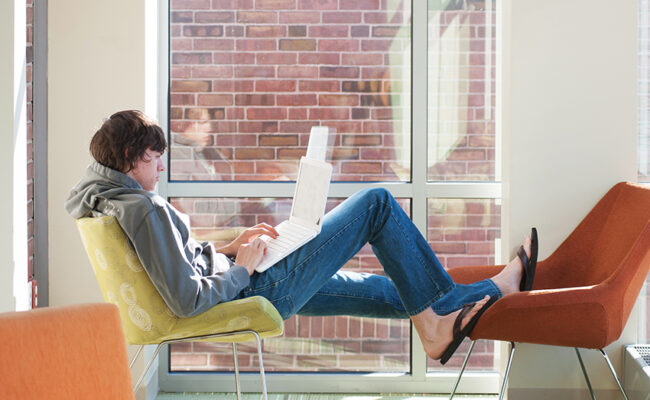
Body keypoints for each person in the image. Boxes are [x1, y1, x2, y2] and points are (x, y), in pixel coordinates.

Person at [65, 110, 536, 364]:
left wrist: (232, 249)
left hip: (246, 278)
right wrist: (246, 267)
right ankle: (447, 320)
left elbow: (178, 262)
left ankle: (486, 297)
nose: (162, 167)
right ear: (129, 155)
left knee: (385, 290)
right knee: (376, 203)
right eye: (153, 158)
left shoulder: (106, 197)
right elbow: (187, 299)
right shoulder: (140, 208)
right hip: (254, 289)